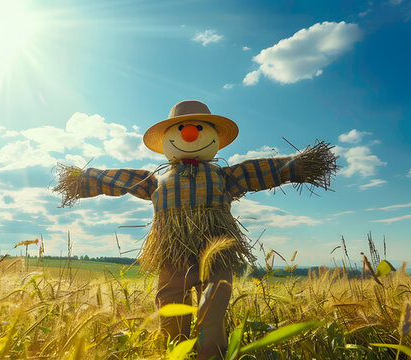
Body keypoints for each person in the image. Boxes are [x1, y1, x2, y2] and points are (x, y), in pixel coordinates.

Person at [53, 100, 338, 359]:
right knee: (169, 303)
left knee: (211, 309)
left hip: (216, 250)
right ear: (167, 139)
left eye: (198, 128)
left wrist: (301, 165)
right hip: (171, 250)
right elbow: (117, 179)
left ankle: (210, 355)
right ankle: (176, 351)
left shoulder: (225, 176)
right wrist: (82, 179)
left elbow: (261, 171)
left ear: (213, 136)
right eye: (181, 129)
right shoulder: (155, 180)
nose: (189, 133)